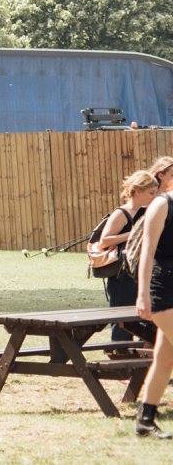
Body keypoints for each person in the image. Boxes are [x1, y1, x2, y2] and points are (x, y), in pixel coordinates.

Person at [133, 174, 173, 437]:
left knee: (164, 358)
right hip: (163, 290)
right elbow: (146, 251)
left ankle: (146, 419)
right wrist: (142, 293)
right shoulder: (162, 205)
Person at [98, 170, 157, 343]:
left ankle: (139, 356)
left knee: (143, 318)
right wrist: (135, 234)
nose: (155, 197)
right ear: (138, 191)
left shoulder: (146, 212)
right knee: (121, 321)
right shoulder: (122, 213)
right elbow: (104, 241)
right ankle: (119, 353)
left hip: (139, 273)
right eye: (151, 193)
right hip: (121, 277)